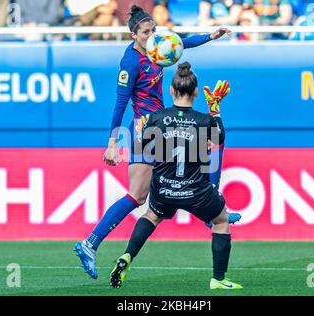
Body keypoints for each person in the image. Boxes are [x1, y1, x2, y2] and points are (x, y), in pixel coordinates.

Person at [73, 4, 240, 280]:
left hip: (161, 125)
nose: (152, 36)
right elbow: (120, 102)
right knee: (139, 194)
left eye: (154, 30)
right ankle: (90, 243)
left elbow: (182, 42)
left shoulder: (156, 48)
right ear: (134, 36)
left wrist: (210, 36)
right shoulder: (130, 62)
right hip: (144, 129)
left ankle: (212, 213)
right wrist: (113, 143)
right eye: (146, 32)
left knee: (189, 163)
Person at [110, 62, 243, 290]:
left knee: (151, 216)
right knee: (221, 221)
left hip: (163, 187)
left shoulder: (157, 117)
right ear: (195, 92)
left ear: (171, 91)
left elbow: (143, 147)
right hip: (196, 191)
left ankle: (127, 257)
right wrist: (215, 110)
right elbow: (219, 139)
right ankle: (218, 279)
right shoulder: (204, 120)